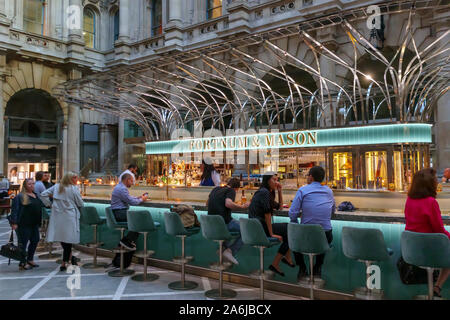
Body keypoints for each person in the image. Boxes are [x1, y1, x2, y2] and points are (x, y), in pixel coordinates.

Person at [404, 168, 450, 298]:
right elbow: (439, 230)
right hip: (430, 249)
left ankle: (435, 288)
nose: (437, 182)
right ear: (429, 184)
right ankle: (437, 287)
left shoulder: (409, 200)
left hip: (412, 251)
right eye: (435, 180)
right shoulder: (431, 203)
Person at [289, 166, 335, 280]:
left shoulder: (303, 190)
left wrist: (296, 224)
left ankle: (302, 267)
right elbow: (332, 211)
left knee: (293, 236)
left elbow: (292, 214)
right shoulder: (329, 191)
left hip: (307, 235)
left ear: (311, 177)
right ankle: (318, 267)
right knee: (322, 238)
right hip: (326, 235)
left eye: (308, 175)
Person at [248, 172, 294, 276]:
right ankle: (281, 260)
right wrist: (271, 233)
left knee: (288, 229)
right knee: (290, 228)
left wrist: (280, 191)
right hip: (259, 229)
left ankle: (279, 262)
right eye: (274, 179)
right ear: (268, 180)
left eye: (277, 180)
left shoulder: (266, 192)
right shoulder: (264, 192)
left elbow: (280, 207)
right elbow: (267, 214)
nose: (276, 182)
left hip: (257, 228)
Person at [40, 172, 84, 272]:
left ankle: (68, 259)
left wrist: (49, 204)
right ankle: (65, 262)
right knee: (68, 239)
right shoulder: (73, 189)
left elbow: (43, 195)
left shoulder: (57, 186)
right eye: (74, 178)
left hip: (58, 215)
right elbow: (80, 203)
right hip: (69, 216)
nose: (76, 179)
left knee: (62, 238)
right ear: (69, 179)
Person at [206, 177, 250, 265]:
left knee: (230, 225)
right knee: (247, 229)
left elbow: (207, 203)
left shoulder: (216, 189)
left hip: (211, 225)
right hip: (223, 223)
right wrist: (243, 207)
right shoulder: (231, 191)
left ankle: (223, 248)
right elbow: (228, 203)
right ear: (236, 188)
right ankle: (230, 251)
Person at [10, 179, 44, 270]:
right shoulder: (20, 196)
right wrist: (14, 222)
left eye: (33, 184)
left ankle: (30, 259)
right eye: (29, 184)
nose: (32, 185)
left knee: (35, 240)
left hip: (34, 223)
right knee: (23, 243)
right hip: (23, 224)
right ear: (25, 185)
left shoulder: (35, 195)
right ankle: (22, 262)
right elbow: (15, 210)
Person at [111, 173, 149, 250]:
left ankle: (127, 241)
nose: (132, 183)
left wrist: (138, 197)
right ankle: (127, 241)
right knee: (139, 220)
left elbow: (128, 198)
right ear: (127, 180)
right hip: (119, 213)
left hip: (118, 212)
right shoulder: (122, 189)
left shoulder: (119, 187)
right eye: (131, 181)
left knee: (137, 219)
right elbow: (132, 202)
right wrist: (142, 199)